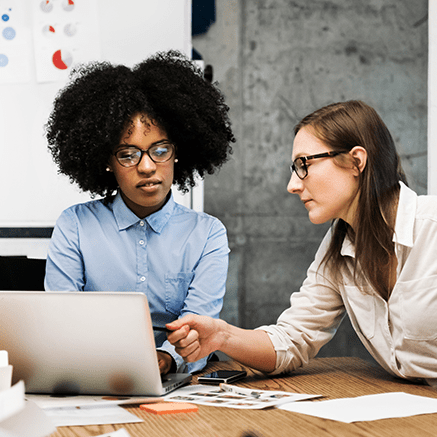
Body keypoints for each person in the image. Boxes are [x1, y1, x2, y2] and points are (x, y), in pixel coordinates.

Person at [167, 100, 437, 386]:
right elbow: (292, 341)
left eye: (303, 165)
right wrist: (222, 336)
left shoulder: (431, 229)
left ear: (357, 161)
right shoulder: (339, 245)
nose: (293, 185)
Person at [44, 50, 235, 375]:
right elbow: (59, 322)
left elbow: (200, 333)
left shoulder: (207, 235)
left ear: (178, 153)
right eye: (128, 154)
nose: (147, 167)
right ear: (106, 161)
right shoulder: (74, 226)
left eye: (160, 150)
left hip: (177, 382)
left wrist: (164, 359)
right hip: (91, 375)